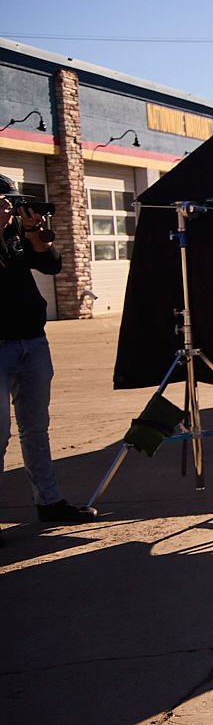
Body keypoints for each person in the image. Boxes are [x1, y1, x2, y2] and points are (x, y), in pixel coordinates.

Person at [0, 179, 99, 535]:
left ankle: (49, 501)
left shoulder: (15, 238)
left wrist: (34, 231)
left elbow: (51, 265)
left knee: (36, 429)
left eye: (11, 204)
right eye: (3, 203)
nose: (9, 209)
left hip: (33, 344)